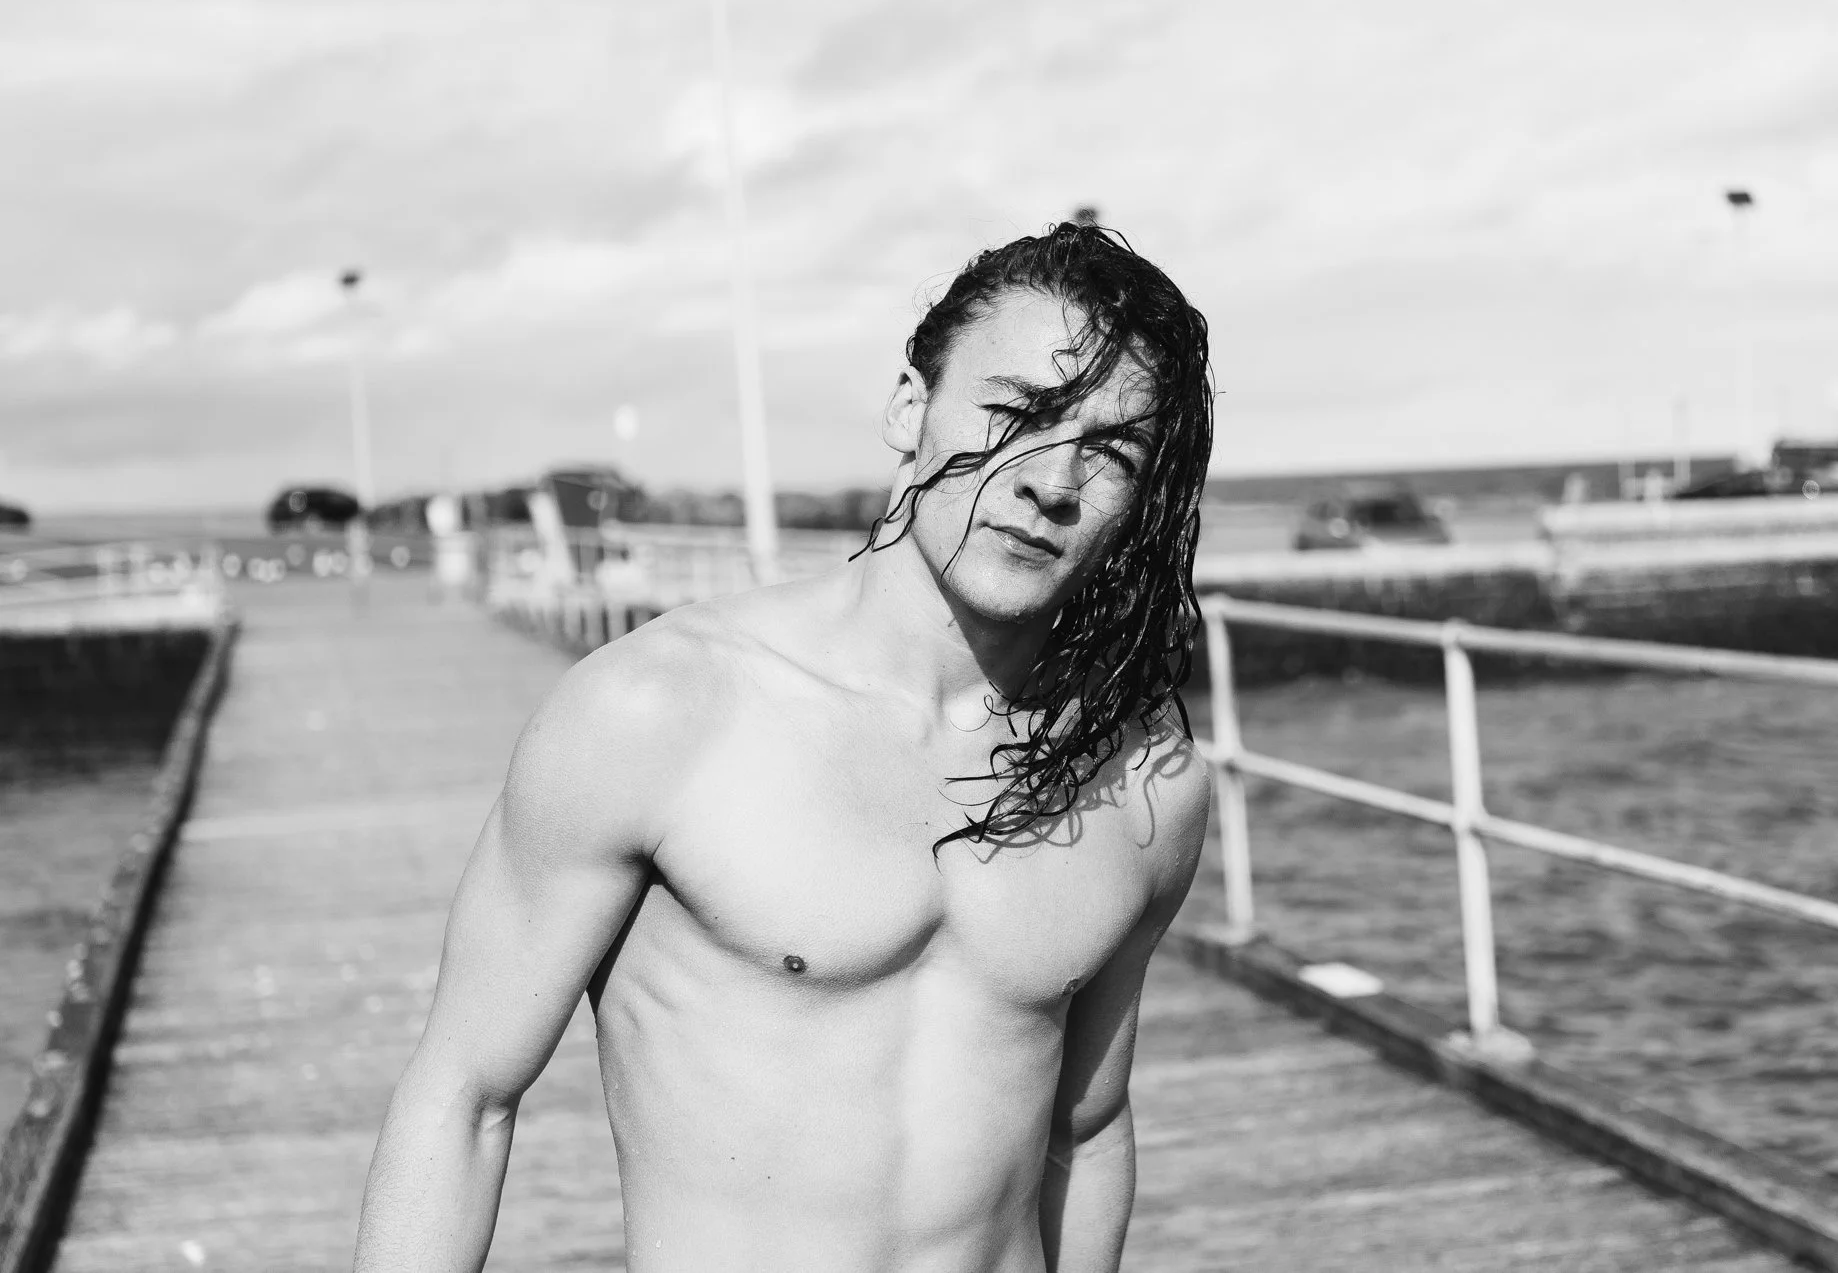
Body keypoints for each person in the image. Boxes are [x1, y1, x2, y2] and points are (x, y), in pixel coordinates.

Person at [353, 222, 1216, 1272]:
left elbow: (1085, 1128)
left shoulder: (1139, 786)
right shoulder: (662, 711)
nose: (1053, 480)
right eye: (1013, 413)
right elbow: (464, 1096)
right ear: (910, 409)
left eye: (1112, 451)